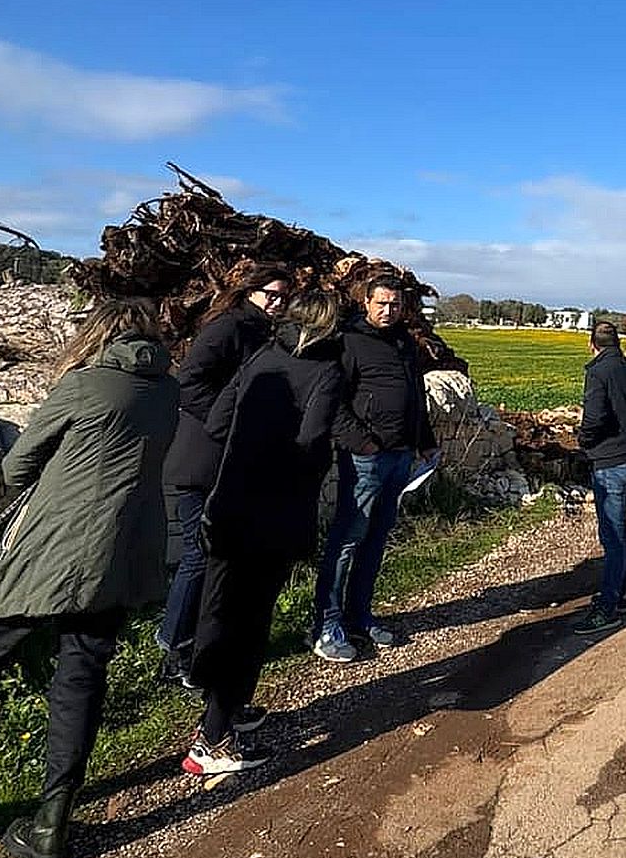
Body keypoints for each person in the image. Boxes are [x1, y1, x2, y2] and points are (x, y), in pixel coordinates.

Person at [0, 297, 179, 858]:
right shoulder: (168, 391)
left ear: (98, 335)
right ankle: (50, 826)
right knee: (81, 676)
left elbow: (18, 469)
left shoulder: (85, 385)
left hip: (54, 548)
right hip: (122, 554)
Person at [184, 288, 345, 774]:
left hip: (229, 499)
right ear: (327, 328)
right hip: (276, 509)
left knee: (220, 608)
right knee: (251, 619)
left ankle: (226, 708)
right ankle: (214, 738)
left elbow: (215, 424)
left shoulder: (260, 357)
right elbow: (313, 440)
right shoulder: (326, 371)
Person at [158, 264, 291, 689]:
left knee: (221, 558)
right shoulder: (227, 327)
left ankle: (202, 640)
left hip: (231, 461)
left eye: (283, 296)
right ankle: (174, 646)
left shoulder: (262, 332)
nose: (276, 301)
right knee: (199, 556)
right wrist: (229, 422)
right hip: (203, 459)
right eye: (270, 293)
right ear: (249, 291)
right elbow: (190, 383)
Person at [312, 276, 438, 662]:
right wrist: (362, 442)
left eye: (395, 305)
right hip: (366, 458)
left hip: (401, 456)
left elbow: (414, 393)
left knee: (376, 539)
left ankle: (359, 615)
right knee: (348, 539)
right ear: (365, 303)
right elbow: (334, 401)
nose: (388, 311)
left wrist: (426, 438)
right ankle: (325, 624)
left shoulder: (402, 341)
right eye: (382, 303)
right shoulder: (349, 341)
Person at [574, 320, 626, 635]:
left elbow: (594, 417)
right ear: (618, 342)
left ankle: (608, 607)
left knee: (612, 536)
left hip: (610, 463)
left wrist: (584, 440)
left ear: (592, 344)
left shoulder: (597, 372)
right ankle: (617, 595)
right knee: (619, 531)